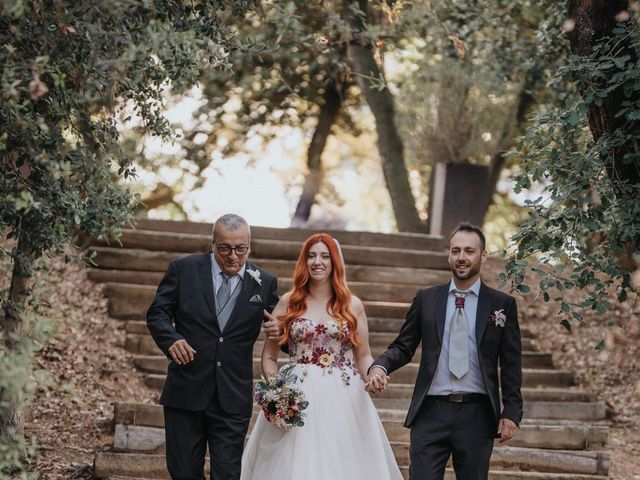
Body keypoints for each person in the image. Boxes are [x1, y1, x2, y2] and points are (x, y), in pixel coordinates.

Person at [367, 222, 523, 480]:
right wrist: (379, 366)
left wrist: (511, 412)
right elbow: (403, 346)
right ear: (449, 254)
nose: (461, 257)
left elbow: (510, 364)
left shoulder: (501, 304)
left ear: (483, 255)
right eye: (456, 250)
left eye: (469, 251)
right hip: (430, 412)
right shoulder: (427, 298)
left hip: (478, 414)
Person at [241, 233, 403, 480]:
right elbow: (269, 358)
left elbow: (364, 356)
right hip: (297, 395)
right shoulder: (288, 302)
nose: (318, 261)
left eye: (325, 256)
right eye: (312, 256)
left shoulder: (353, 305)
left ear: (335, 262)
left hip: (344, 395)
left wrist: (373, 373)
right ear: (304, 262)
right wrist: (279, 394)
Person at [146, 214, 280, 480]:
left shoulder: (265, 283)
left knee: (228, 475)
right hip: (185, 392)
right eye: (225, 248)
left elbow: (283, 332)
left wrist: (281, 332)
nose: (233, 256)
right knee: (183, 473)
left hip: (232, 398)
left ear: (249, 246)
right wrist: (172, 339)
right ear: (213, 244)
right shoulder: (182, 270)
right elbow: (157, 313)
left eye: (240, 249)